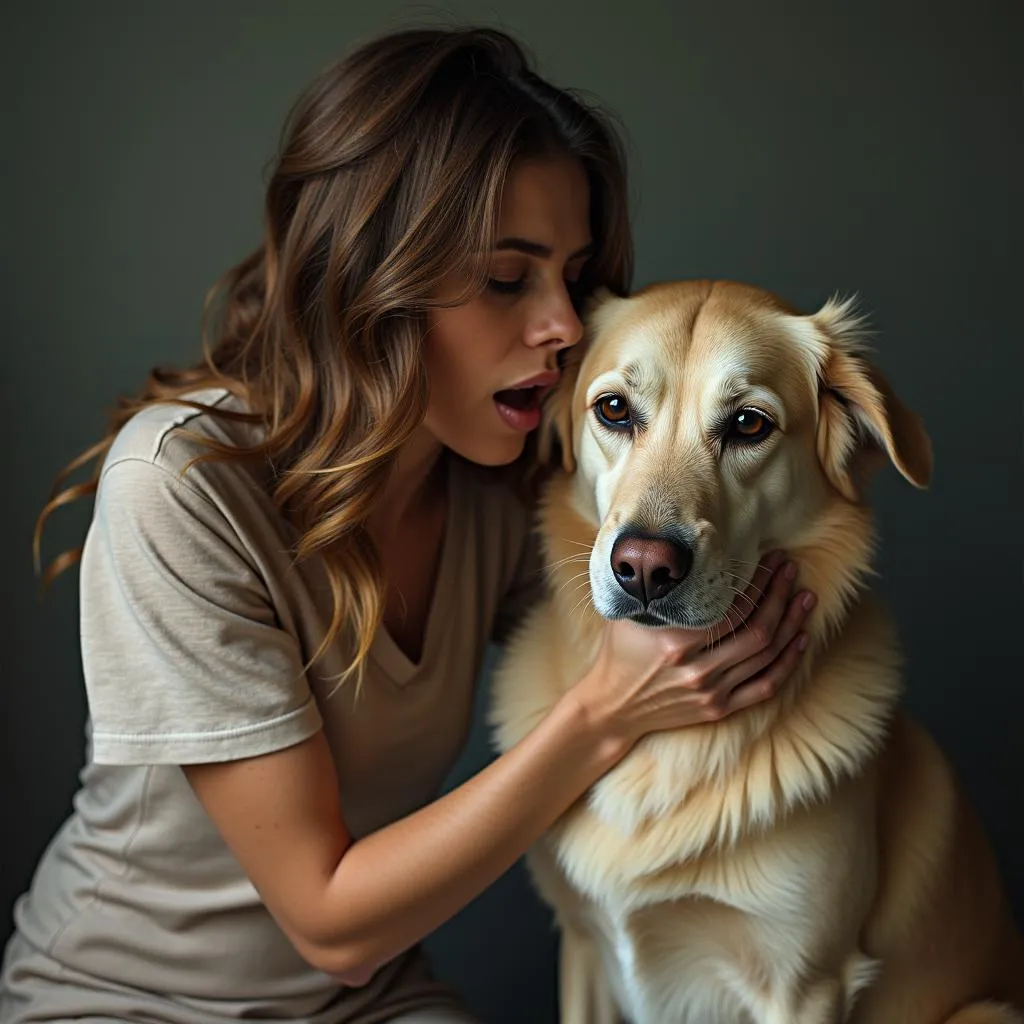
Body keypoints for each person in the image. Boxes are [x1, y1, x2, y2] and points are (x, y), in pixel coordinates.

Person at [0, 26, 816, 1024]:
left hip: (372, 1002)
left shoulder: (509, 486)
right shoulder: (177, 484)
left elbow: (682, 589)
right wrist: (602, 713)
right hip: (123, 1000)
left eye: (574, 276)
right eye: (508, 278)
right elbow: (329, 922)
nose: (564, 324)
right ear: (371, 276)